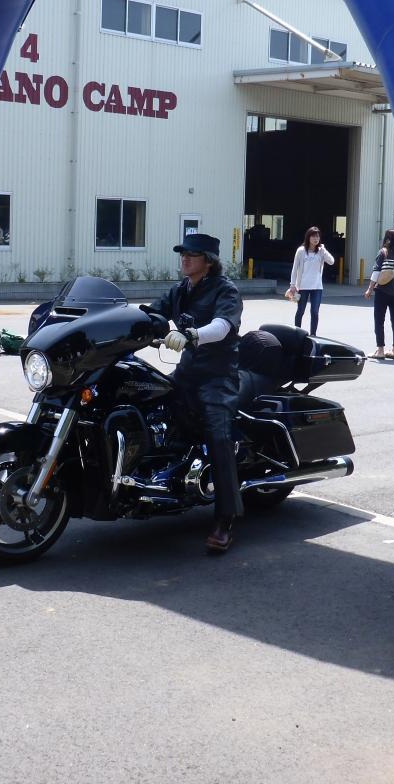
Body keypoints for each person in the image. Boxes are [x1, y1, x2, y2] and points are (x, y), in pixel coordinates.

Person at [150, 232, 244, 554]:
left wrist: (192, 335)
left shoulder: (225, 290)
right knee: (146, 399)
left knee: (218, 435)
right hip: (187, 374)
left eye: (192, 255)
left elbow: (223, 326)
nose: (185, 259)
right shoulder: (180, 290)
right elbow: (153, 313)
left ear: (209, 261)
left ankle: (225, 518)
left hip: (218, 376)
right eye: (183, 254)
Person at [363, 227, 394, 359]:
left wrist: (370, 289)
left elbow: (376, 272)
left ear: (387, 239)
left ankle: (380, 350)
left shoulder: (383, 252)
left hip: (382, 292)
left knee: (379, 321)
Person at [288, 225, 334, 336]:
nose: (316, 239)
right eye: (313, 236)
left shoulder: (321, 251)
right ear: (308, 237)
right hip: (302, 287)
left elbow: (331, 261)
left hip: (317, 287)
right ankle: (297, 333)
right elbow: (295, 268)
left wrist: (324, 251)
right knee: (300, 311)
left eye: (317, 236)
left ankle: (313, 335)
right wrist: (292, 285)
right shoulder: (301, 251)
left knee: (315, 312)